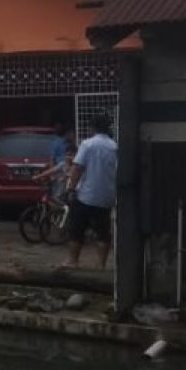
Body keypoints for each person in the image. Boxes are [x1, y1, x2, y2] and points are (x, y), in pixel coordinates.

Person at [65, 113, 118, 269]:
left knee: (76, 228)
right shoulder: (114, 146)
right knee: (103, 231)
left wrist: (70, 188)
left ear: (92, 128)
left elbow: (77, 168)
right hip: (107, 196)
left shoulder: (88, 144)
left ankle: (72, 261)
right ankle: (101, 264)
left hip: (86, 195)